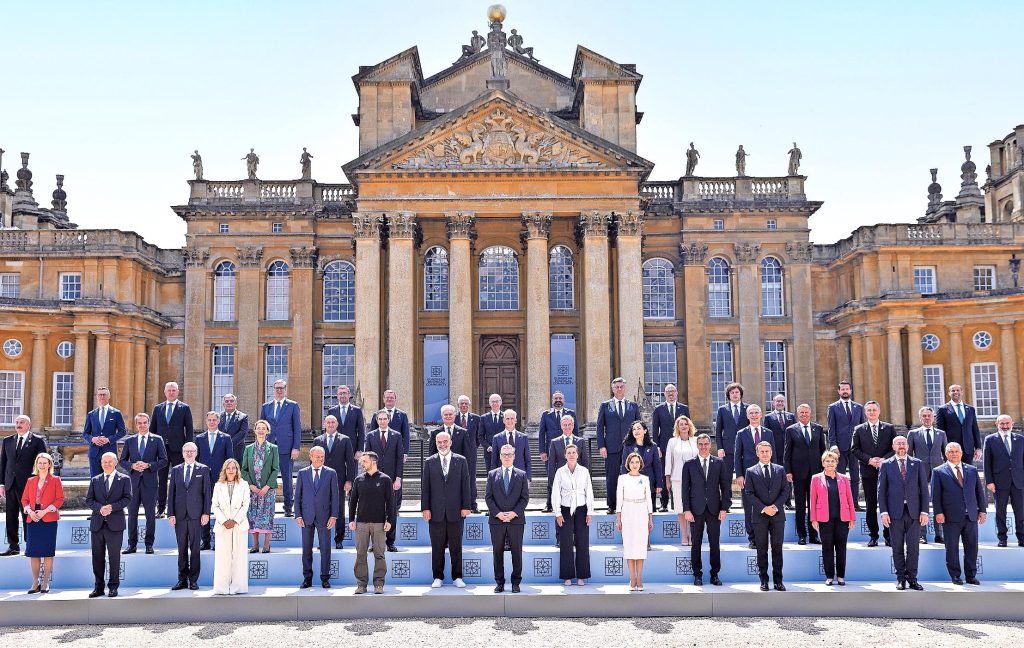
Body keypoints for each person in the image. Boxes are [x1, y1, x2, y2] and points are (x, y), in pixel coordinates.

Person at [421, 430, 472, 588]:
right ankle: (438, 576)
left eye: (445, 442)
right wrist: (425, 508)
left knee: (456, 546)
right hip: (435, 512)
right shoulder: (429, 462)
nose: (442, 445)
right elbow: (425, 487)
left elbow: (466, 485)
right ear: (436, 444)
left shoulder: (461, 460)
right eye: (439, 443)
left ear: (450, 442)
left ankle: (457, 577)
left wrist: (466, 506)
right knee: (437, 546)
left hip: (456, 511)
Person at [878, 436, 930, 590]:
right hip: (894, 513)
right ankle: (901, 578)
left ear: (908, 446)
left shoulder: (918, 463)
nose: (901, 446)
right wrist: (884, 512)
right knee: (897, 547)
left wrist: (925, 511)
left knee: (914, 548)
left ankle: (912, 579)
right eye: (898, 443)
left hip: (914, 512)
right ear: (893, 446)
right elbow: (881, 491)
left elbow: (924, 491)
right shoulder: (886, 465)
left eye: (903, 443)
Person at [931, 442, 987, 585]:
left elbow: (979, 492)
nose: (954, 454)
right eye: (951, 451)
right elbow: (935, 495)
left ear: (961, 453)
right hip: (950, 516)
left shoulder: (972, 470)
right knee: (952, 548)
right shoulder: (938, 471)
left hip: (971, 516)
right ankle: (955, 575)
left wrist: (982, 510)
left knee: (972, 547)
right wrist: (938, 512)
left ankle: (971, 576)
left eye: (957, 451)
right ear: (946, 454)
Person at [680, 434, 731, 586]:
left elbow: (725, 487)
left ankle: (714, 574)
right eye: (700, 444)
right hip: (696, 510)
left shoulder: (719, 463)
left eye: (706, 444)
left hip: (715, 509)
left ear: (710, 445)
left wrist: (724, 508)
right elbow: (685, 490)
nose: (703, 447)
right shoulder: (689, 464)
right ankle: (697, 575)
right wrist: (687, 510)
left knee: (714, 543)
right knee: (696, 543)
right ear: (697, 445)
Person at [744, 441, 791, 591]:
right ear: (757, 453)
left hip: (777, 516)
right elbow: (749, 493)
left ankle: (778, 581)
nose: (765, 454)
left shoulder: (780, 470)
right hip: (760, 516)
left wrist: (775, 507)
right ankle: (763, 580)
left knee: (777, 548)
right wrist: (764, 508)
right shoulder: (750, 471)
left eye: (767, 451)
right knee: (761, 549)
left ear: (771, 453)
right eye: (762, 451)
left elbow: (785, 491)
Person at [119, 412, 167, 554]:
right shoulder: (130, 441)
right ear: (136, 424)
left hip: (150, 483)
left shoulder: (157, 440)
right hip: (133, 483)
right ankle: (131, 545)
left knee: (150, 515)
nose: (142, 425)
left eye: (144, 423)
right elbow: (122, 461)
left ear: (148, 423)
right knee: (132, 514)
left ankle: (149, 544)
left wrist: (149, 465)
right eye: (139, 423)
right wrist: (132, 466)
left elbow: (164, 460)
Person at [85, 452, 132, 598]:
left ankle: (113, 587)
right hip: (97, 524)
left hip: (115, 524)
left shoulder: (124, 479)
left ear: (116, 462)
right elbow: (89, 500)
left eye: (110, 462)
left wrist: (111, 507)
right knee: (97, 557)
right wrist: (100, 508)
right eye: (104, 462)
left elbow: (127, 498)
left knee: (114, 557)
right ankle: (98, 587)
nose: (107, 464)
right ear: (101, 463)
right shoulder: (95, 480)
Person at [1, 415, 48, 556]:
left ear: (29, 424)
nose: (18, 424)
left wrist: (40, 483)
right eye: (16, 422)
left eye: (21, 422)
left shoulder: (37, 441)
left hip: (29, 485)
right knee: (10, 516)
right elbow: (3, 463)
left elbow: (43, 463)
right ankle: (13, 546)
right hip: (10, 484)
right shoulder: (8, 440)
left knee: (28, 515)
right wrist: (1, 483)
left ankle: (31, 545)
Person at [168, 442, 213, 590]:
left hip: (196, 515)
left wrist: (206, 512)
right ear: (182, 453)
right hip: (180, 516)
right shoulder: (175, 470)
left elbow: (207, 493)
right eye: (186, 451)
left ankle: (193, 580)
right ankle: (182, 579)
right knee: (181, 549)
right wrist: (171, 513)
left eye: (191, 451)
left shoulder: (204, 469)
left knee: (195, 549)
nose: (189, 453)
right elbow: (171, 494)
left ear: (196, 453)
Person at [486, 444, 530, 593]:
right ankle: (499, 582)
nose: (506, 457)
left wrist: (514, 513)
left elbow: (524, 498)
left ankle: (516, 582)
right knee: (497, 552)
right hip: (496, 521)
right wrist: (498, 513)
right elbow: (488, 498)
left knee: (516, 552)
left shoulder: (522, 475)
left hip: (516, 520)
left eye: (509, 454)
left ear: (514, 456)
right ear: (499, 456)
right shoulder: (492, 475)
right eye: (504, 454)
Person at [349, 451, 395, 594]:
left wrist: (390, 521)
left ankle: (378, 584)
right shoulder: (358, 480)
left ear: (373, 462)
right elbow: (353, 501)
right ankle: (361, 584)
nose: (362, 464)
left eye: (365, 461)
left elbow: (391, 503)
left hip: (379, 524)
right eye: (362, 461)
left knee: (379, 554)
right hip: (361, 523)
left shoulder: (385, 479)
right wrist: (351, 519)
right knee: (360, 554)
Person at [851, 401, 896, 547]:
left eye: (874, 410)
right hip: (868, 471)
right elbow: (855, 450)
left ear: (879, 411)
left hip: (887, 471)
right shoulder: (859, 429)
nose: (871, 412)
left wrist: (884, 460)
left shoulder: (889, 428)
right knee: (870, 505)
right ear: (865, 412)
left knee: (888, 503)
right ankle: (874, 536)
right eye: (869, 410)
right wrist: (869, 460)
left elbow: (894, 448)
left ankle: (888, 535)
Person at [809, 450, 855, 586]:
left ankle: (841, 576)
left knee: (841, 547)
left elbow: (849, 499)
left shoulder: (844, 478)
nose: (830, 463)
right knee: (827, 547)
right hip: (824, 519)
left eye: (832, 461)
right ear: (823, 463)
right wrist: (814, 519)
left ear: (836, 463)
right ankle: (829, 576)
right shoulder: (816, 478)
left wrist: (852, 518)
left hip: (843, 519)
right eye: (827, 461)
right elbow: (812, 500)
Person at [295, 446, 339, 589]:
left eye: (322, 457)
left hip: (325, 516)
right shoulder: (302, 473)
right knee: (306, 549)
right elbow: (298, 496)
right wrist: (298, 514)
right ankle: (307, 578)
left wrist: (333, 515)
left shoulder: (331, 473)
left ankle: (325, 578)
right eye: (317, 456)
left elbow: (335, 497)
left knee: (326, 548)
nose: (320, 459)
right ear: (311, 457)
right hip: (306, 516)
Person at [784, 404, 827, 545]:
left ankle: (814, 535)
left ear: (810, 413)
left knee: (814, 505)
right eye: (801, 412)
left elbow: (823, 451)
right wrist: (788, 471)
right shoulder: (791, 430)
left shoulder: (818, 429)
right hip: (798, 473)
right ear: (797, 414)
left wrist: (825, 470)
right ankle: (802, 535)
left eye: (806, 412)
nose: (804, 414)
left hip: (816, 473)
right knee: (800, 505)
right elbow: (787, 453)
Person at [597, 377, 642, 512]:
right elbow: (600, 427)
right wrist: (601, 446)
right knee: (612, 477)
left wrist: (639, 444)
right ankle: (612, 505)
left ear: (625, 388)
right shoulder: (605, 406)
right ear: (612, 389)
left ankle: (630, 504)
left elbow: (639, 426)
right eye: (616, 387)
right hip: (611, 448)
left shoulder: (633, 406)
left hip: (630, 448)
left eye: (621, 386)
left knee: (632, 477)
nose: (619, 389)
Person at [21, 452, 64, 594]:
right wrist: (30, 512)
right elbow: (24, 500)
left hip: (48, 518)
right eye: (40, 463)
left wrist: (45, 511)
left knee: (47, 553)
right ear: (36, 465)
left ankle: (45, 582)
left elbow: (59, 499)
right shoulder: (30, 481)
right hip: (33, 518)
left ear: (50, 464)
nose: (42, 465)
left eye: (45, 463)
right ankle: (35, 581)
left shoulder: (56, 480)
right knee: (33, 553)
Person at [552, 444, 594, 586]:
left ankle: (582, 575)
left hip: (581, 508)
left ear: (577, 455)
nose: (571, 455)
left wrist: (590, 512)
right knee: (566, 542)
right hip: (565, 508)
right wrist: (557, 512)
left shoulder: (584, 471)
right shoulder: (560, 472)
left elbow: (589, 491)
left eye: (574, 452)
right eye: (569, 452)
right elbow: (556, 492)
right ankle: (567, 576)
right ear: (565, 455)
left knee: (582, 541)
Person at [259, 379, 301, 517]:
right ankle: (266, 507)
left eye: (282, 388)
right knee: (266, 478)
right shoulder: (266, 407)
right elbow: (261, 428)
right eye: (277, 388)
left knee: (287, 478)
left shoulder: (293, 406)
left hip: (287, 448)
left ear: (285, 389)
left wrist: (296, 447)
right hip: (268, 448)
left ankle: (288, 507)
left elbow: (297, 428)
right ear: (273, 389)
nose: (279, 390)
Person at [364, 410, 404, 552]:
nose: (382, 421)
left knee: (391, 511)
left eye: (384, 419)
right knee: (374, 511)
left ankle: (390, 542)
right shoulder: (370, 436)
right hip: (374, 479)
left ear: (388, 420)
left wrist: (398, 478)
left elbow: (400, 458)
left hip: (392, 479)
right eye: (379, 419)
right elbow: (366, 458)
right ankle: (374, 543)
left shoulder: (397, 436)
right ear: (377, 420)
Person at [153, 382, 194, 518]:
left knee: (179, 480)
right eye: (169, 390)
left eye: (173, 390)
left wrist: (188, 449)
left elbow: (189, 430)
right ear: (165, 392)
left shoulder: (184, 408)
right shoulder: (158, 408)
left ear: (177, 392)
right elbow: (153, 430)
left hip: (178, 449)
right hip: (161, 450)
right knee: (162, 479)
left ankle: (178, 507)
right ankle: (161, 508)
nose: (171, 392)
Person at [314, 415, 356, 549]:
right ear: (324, 424)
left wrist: (349, 480)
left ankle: (339, 539)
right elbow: (313, 462)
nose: (331, 424)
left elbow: (350, 462)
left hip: (340, 480)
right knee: (322, 511)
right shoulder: (317, 440)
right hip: (321, 481)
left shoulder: (345, 440)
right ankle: (323, 539)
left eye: (333, 422)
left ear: (337, 424)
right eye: (328, 422)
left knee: (339, 510)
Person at [907, 406, 948, 544]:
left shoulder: (941, 434)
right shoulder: (913, 434)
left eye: (929, 415)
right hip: (920, 472)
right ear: (920, 418)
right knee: (921, 503)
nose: (927, 418)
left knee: (938, 502)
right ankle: (922, 535)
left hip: (938, 471)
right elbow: (909, 456)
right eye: (924, 416)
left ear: (933, 417)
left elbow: (946, 455)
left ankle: (939, 534)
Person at [735, 404, 773, 548]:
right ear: (747, 416)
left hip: (766, 475)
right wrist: (739, 475)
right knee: (749, 508)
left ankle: (764, 537)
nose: (754, 415)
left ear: (761, 414)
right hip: (748, 476)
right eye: (751, 413)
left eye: (757, 412)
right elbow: (737, 456)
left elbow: (772, 455)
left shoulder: (768, 433)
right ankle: (752, 538)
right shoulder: (741, 433)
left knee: (766, 506)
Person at [210, 458, 250, 595]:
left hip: (239, 525)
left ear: (237, 470)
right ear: (224, 470)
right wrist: (224, 520)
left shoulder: (244, 485)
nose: (231, 470)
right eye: (228, 468)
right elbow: (215, 505)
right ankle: (221, 588)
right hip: (222, 526)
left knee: (239, 558)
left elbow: (246, 505)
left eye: (234, 468)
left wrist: (235, 520)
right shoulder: (218, 486)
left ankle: (238, 587)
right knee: (222, 558)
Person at [984, 414, 1024, 547]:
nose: (1005, 426)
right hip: (999, 482)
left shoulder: (1020, 439)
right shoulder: (990, 440)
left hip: (1019, 482)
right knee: (1000, 512)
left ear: (1012, 423)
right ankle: (1002, 538)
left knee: (1021, 511)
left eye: (1007, 423)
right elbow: (987, 462)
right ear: (997, 424)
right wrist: (989, 481)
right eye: (1002, 424)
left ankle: (1022, 538)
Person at [241, 420, 279, 553]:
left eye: (264, 428)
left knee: (267, 516)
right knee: (253, 516)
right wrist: (251, 485)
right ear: (255, 430)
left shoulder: (273, 448)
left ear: (267, 431)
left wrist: (267, 486)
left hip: (267, 490)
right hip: (253, 489)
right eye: (259, 428)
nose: (261, 430)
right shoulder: (248, 449)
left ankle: (266, 544)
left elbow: (275, 469)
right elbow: (243, 469)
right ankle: (255, 545)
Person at [827, 381, 865, 512]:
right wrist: (833, 445)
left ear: (850, 391)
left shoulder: (859, 407)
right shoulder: (833, 407)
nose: (845, 391)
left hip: (855, 448)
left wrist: (862, 446)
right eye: (842, 389)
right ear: (838, 391)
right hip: (840, 448)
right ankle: (842, 503)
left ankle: (855, 503)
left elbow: (862, 428)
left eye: (847, 389)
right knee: (840, 477)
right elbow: (831, 428)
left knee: (855, 477)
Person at [616, 452, 653, 591]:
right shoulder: (622, 479)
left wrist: (650, 517)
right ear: (628, 464)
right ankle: (632, 578)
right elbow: (619, 498)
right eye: (632, 462)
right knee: (630, 546)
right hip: (627, 512)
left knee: (640, 547)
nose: (635, 464)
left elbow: (649, 499)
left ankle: (639, 578)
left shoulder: (645, 479)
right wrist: (618, 518)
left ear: (640, 463)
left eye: (637, 462)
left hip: (642, 512)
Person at [197, 411, 233, 550]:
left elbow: (230, 460)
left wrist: (228, 478)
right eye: (209, 420)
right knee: (204, 509)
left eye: (214, 420)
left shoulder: (226, 438)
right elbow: (197, 460)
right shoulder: (199, 438)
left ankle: (219, 541)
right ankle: (204, 541)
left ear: (218, 421)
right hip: (203, 479)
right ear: (206, 421)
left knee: (221, 510)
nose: (212, 422)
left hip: (221, 480)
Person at [651, 384, 690, 512]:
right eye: (668, 392)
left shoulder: (684, 408)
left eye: (673, 391)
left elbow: (688, 427)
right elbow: (655, 429)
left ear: (677, 393)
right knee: (664, 474)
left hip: (681, 445)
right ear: (664, 394)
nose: (671, 394)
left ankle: (678, 503)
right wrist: (656, 447)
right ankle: (664, 503)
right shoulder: (658, 409)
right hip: (663, 447)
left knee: (680, 473)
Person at [538, 391, 577, 513]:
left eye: (560, 398)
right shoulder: (546, 415)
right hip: (551, 452)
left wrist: (575, 451)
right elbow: (541, 434)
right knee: (551, 479)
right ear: (552, 400)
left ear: (564, 400)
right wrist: (542, 451)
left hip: (568, 452)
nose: (558, 400)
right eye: (556, 398)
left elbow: (575, 432)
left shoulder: (571, 414)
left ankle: (568, 503)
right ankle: (549, 504)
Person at [664, 415, 698, 543]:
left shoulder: (696, 440)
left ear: (689, 426)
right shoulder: (672, 442)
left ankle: (692, 534)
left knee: (693, 506)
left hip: (695, 479)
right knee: (680, 507)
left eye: (685, 424)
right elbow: (669, 461)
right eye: (681, 424)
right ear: (677, 427)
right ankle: (684, 535)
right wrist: (667, 479)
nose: (683, 426)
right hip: (677, 478)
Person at [82, 387, 127, 477]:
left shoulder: (116, 413)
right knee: (95, 480)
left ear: (109, 396)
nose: (102, 397)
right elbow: (85, 434)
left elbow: (123, 431)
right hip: (94, 452)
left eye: (104, 394)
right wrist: (92, 439)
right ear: (97, 396)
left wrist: (109, 439)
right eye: (100, 394)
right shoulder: (91, 414)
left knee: (110, 479)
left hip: (110, 451)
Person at [621, 421, 663, 512]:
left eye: (639, 428)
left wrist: (659, 483)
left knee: (650, 512)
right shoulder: (628, 446)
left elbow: (657, 466)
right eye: (634, 429)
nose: (636, 431)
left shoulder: (653, 446)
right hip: (633, 484)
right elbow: (624, 465)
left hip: (649, 483)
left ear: (645, 431)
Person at [935, 384, 983, 463]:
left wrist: (978, 448)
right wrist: (941, 449)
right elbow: (940, 431)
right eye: (953, 391)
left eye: (958, 390)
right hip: (951, 449)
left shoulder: (970, 409)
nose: (955, 392)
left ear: (962, 392)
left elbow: (975, 429)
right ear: (949, 393)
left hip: (968, 449)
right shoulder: (942, 409)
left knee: (968, 472)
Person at [764, 393, 795, 509]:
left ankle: (788, 501)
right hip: (775, 452)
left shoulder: (791, 417)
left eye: (782, 401)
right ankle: (776, 502)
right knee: (775, 478)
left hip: (789, 452)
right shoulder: (768, 417)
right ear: (773, 403)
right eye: (778, 401)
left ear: (785, 403)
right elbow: (766, 436)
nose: (780, 403)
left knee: (788, 478)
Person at [715, 382, 749, 482]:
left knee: (746, 476)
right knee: (726, 478)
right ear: (728, 395)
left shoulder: (748, 408)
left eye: (737, 392)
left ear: (740, 394)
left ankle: (746, 498)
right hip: (727, 449)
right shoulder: (722, 410)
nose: (734, 394)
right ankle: (726, 498)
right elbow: (718, 430)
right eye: (732, 392)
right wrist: (720, 448)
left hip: (744, 448)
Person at [367, 389, 411, 465]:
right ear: (384, 399)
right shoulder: (376, 414)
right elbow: (372, 435)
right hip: (379, 452)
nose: (389, 399)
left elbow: (406, 435)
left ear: (395, 399)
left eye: (391, 397)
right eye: (387, 397)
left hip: (396, 451)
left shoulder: (402, 415)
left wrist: (405, 453)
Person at [455, 395, 483, 513]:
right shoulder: (454, 417)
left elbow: (479, 436)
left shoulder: (476, 419)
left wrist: (472, 448)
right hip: (455, 454)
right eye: (462, 403)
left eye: (466, 403)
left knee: (471, 479)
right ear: (458, 405)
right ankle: (457, 504)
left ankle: (473, 504)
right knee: (455, 480)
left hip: (471, 454)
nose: (464, 405)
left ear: (469, 405)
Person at [326, 384, 365, 460]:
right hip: (335, 448)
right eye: (340, 393)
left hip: (352, 449)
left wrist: (360, 450)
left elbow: (361, 431)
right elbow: (327, 431)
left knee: (352, 471)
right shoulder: (331, 411)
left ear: (349, 395)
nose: (342, 395)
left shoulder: (357, 411)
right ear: (337, 395)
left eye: (345, 393)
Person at [489, 409, 532, 478]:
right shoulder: (496, 438)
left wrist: (529, 478)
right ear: (503, 421)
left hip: (520, 475)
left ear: (515, 420)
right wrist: (493, 478)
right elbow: (494, 460)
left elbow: (527, 459)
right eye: (507, 418)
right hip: (502, 476)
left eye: (512, 418)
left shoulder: (524, 437)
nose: (510, 421)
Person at [218, 393, 249, 462]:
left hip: (236, 453)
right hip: (220, 453)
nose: (229, 403)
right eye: (226, 401)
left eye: (231, 401)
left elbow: (243, 433)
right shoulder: (218, 417)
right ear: (223, 404)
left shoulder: (243, 417)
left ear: (236, 404)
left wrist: (228, 444)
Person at [480, 393, 505, 471]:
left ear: (500, 402)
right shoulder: (484, 418)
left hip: (504, 453)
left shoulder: (506, 417)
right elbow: (480, 436)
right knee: (490, 475)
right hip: (489, 453)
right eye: (492, 401)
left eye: (497, 401)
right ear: (489, 403)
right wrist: (487, 446)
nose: (495, 403)